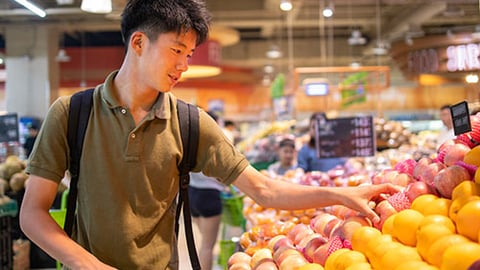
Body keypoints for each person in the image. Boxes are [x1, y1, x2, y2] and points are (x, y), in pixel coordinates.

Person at [19, 1, 399, 269]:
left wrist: (339, 194)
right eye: (177, 51)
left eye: (190, 54)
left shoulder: (189, 123)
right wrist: (85, 264)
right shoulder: (71, 114)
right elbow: (32, 214)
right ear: (138, 43)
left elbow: (264, 190)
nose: (185, 65)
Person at [188, 111, 226, 270]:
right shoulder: (214, 144)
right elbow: (221, 175)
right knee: (207, 246)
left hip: (192, 193)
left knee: (204, 240)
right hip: (209, 195)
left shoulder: (189, 142)